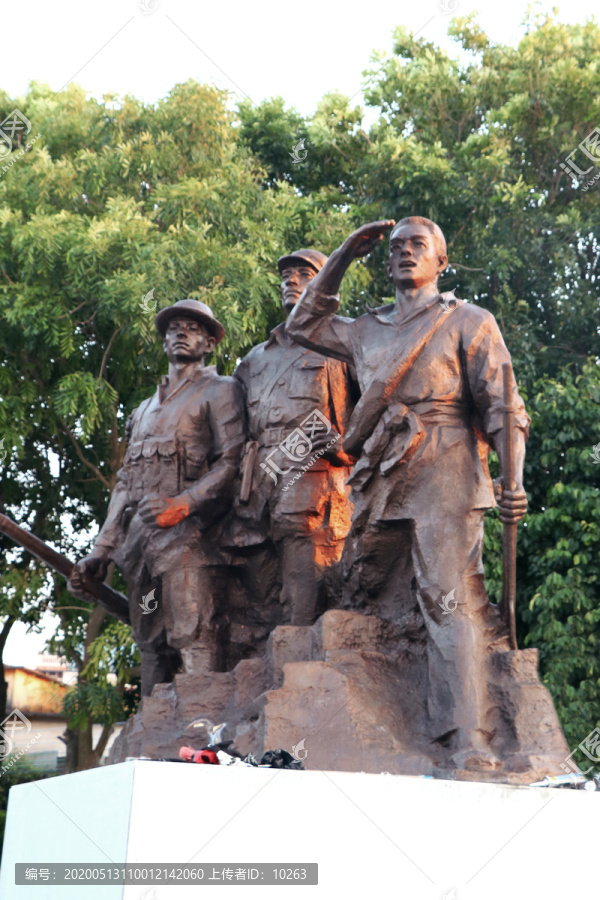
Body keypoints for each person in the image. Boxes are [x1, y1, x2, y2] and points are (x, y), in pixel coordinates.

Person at [287, 217, 529, 770]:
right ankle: (373, 718)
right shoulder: (365, 329)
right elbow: (304, 323)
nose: (403, 253)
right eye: (395, 247)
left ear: (442, 261)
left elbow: (502, 406)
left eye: (418, 246)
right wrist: (345, 252)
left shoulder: (468, 320)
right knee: (361, 589)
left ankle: (467, 734)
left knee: (447, 598)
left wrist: (512, 479)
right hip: (381, 473)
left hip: (446, 465)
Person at [69, 299, 246, 696]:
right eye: (173, 327)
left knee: (192, 632)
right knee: (150, 637)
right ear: (164, 340)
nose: (181, 333)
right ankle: (152, 730)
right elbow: (125, 484)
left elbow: (231, 463)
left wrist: (181, 504)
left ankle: (204, 729)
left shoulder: (220, 391)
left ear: (209, 343)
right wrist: (102, 550)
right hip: (141, 553)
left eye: (193, 328)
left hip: (191, 543)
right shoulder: (143, 411)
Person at [231, 249, 357, 626]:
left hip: (317, 489)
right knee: (261, 603)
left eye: (304, 273)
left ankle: (301, 674)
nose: (291, 280)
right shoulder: (255, 359)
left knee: (309, 595)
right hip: (259, 492)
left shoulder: (345, 341)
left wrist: (341, 445)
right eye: (286, 274)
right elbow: (234, 432)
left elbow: (377, 413)